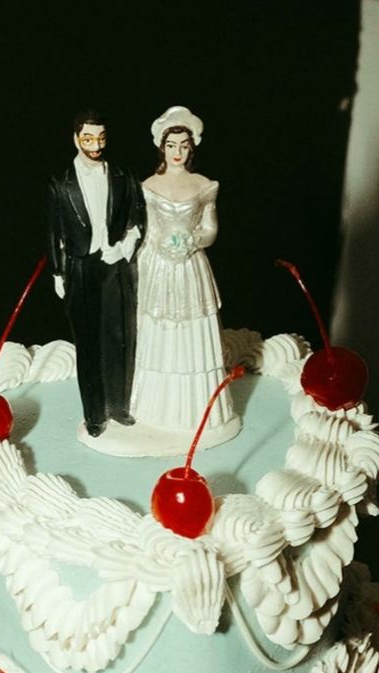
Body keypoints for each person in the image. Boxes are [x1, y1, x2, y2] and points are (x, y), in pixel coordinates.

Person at [130, 106, 234, 435]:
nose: (177, 152)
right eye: (172, 145)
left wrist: (191, 241)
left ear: (192, 148)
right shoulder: (148, 186)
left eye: (183, 146)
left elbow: (211, 230)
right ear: (162, 147)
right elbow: (145, 230)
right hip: (158, 267)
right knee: (160, 329)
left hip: (190, 266)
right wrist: (158, 245)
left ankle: (197, 410)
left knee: (191, 332)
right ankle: (154, 408)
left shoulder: (205, 185)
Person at [48, 111, 145, 437]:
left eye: (101, 138)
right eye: (88, 138)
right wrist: (58, 273)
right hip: (80, 267)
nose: (96, 145)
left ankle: (119, 406)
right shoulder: (60, 184)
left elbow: (138, 220)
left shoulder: (123, 176)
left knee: (119, 338)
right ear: (76, 138)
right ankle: (94, 414)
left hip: (115, 266)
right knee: (88, 343)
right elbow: (54, 233)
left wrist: (124, 247)